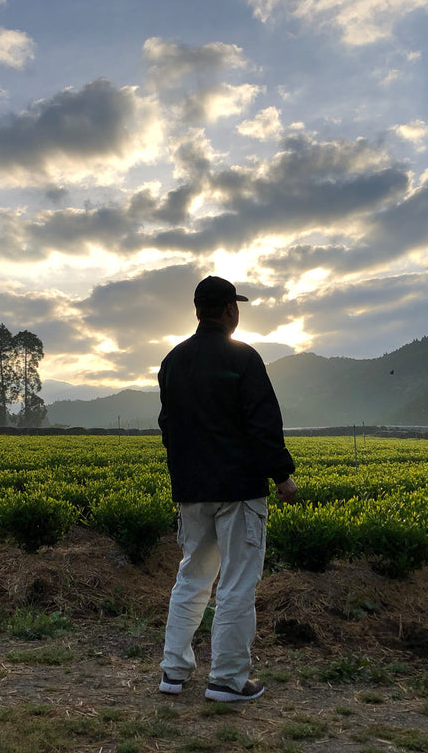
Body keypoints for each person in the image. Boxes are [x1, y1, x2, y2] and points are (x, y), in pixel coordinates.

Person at [157, 275, 297, 702]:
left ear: (198, 310)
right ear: (230, 310)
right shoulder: (245, 358)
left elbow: (168, 428)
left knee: (191, 578)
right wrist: (282, 475)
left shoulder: (173, 361)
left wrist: (185, 475)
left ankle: (173, 672)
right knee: (237, 583)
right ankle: (227, 679)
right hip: (239, 489)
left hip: (192, 490)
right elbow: (263, 423)